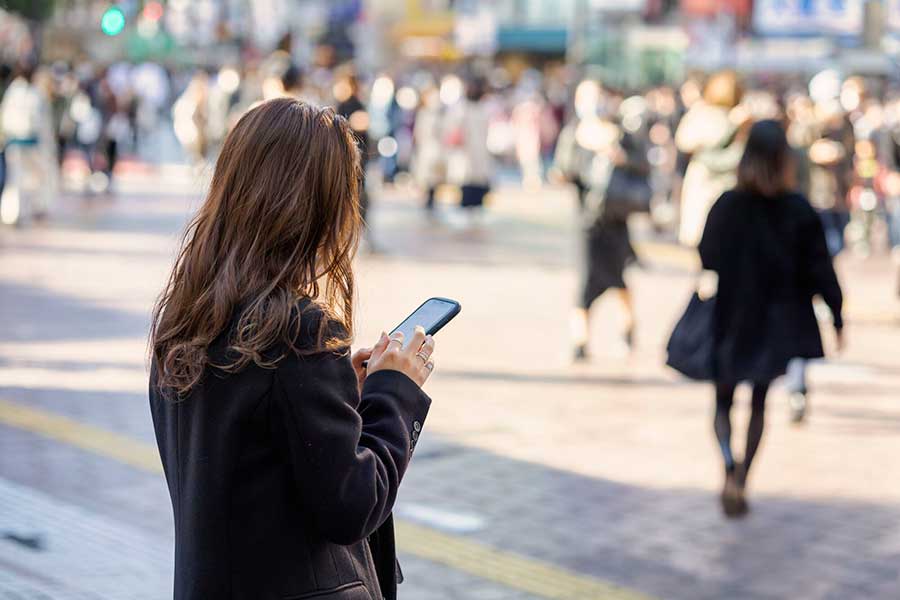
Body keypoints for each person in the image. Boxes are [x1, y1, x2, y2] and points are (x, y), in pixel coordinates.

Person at [148, 99, 436, 600]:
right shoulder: (298, 330)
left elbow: (256, 445)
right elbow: (351, 505)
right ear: (319, 207)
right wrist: (395, 394)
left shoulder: (188, 316)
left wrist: (345, 388)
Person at [698, 120, 844, 517]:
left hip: (732, 313)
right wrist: (837, 313)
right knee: (759, 401)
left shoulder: (728, 204)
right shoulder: (796, 208)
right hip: (774, 320)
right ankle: (744, 476)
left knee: (723, 399)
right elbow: (820, 268)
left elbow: (706, 253)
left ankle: (728, 464)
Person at [571, 107, 647, 360]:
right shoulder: (577, 139)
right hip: (589, 221)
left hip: (616, 221)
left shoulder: (625, 139)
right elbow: (569, 170)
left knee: (618, 280)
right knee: (585, 283)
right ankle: (579, 342)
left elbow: (644, 168)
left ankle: (628, 330)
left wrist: (623, 159)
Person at [676, 70, 747, 247]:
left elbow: (683, 141)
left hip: (714, 177)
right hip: (715, 177)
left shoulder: (703, 113)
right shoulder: (726, 116)